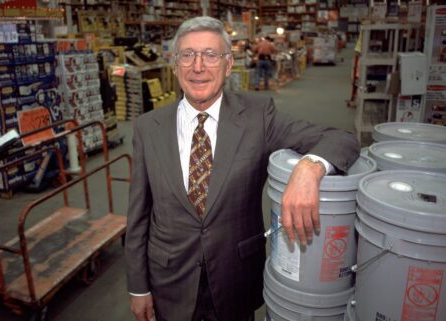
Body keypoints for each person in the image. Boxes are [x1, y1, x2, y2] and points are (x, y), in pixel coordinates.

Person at [125, 16, 359, 321]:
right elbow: (139, 217)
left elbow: (340, 139)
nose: (198, 67)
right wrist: (138, 288)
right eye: (188, 55)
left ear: (228, 63)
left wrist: (309, 168)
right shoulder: (147, 128)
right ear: (174, 64)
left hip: (234, 280)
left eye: (210, 55)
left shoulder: (258, 117)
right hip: (170, 283)